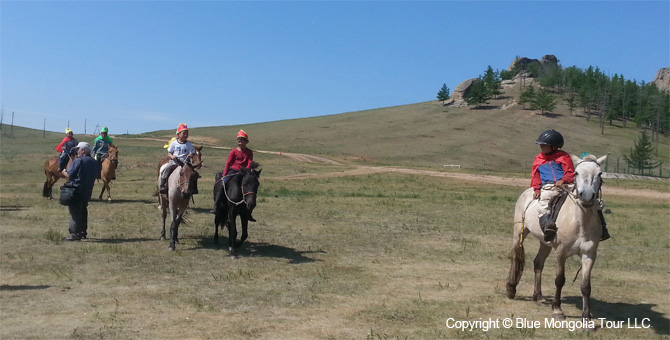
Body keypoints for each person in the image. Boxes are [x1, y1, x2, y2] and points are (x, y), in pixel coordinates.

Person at [530, 129, 575, 242]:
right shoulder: (539, 159)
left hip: (566, 186)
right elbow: (536, 176)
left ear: (554, 146)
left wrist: (564, 180)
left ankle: (602, 228)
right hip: (549, 188)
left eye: (544, 145)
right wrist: (536, 189)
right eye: (541, 145)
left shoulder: (564, 156)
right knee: (543, 204)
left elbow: (570, 172)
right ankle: (547, 227)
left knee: (587, 199)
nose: (541, 147)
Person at [210, 130, 255, 220]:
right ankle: (216, 205)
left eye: (242, 141)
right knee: (223, 184)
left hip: (243, 173)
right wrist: (224, 174)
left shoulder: (249, 152)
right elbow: (228, 163)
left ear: (246, 142)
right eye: (239, 141)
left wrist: (246, 172)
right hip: (232, 171)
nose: (240, 143)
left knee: (251, 188)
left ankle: (249, 212)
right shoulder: (233, 151)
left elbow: (249, 164)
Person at [62, 142, 101, 241]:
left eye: (78, 149)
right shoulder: (94, 162)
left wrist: (64, 172)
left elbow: (70, 175)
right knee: (83, 210)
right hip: (87, 191)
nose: (77, 151)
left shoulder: (78, 161)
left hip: (76, 190)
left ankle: (75, 234)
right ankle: (83, 232)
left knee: (75, 212)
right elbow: (97, 175)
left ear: (83, 150)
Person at [159, 123, 196, 194]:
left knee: (194, 174)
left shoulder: (189, 144)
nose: (185, 135)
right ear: (178, 134)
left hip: (185, 163)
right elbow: (169, 152)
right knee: (165, 170)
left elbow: (192, 153)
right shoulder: (174, 143)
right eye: (184, 133)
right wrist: (172, 156)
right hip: (174, 162)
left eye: (187, 133)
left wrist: (190, 155)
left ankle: (194, 188)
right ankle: (162, 186)